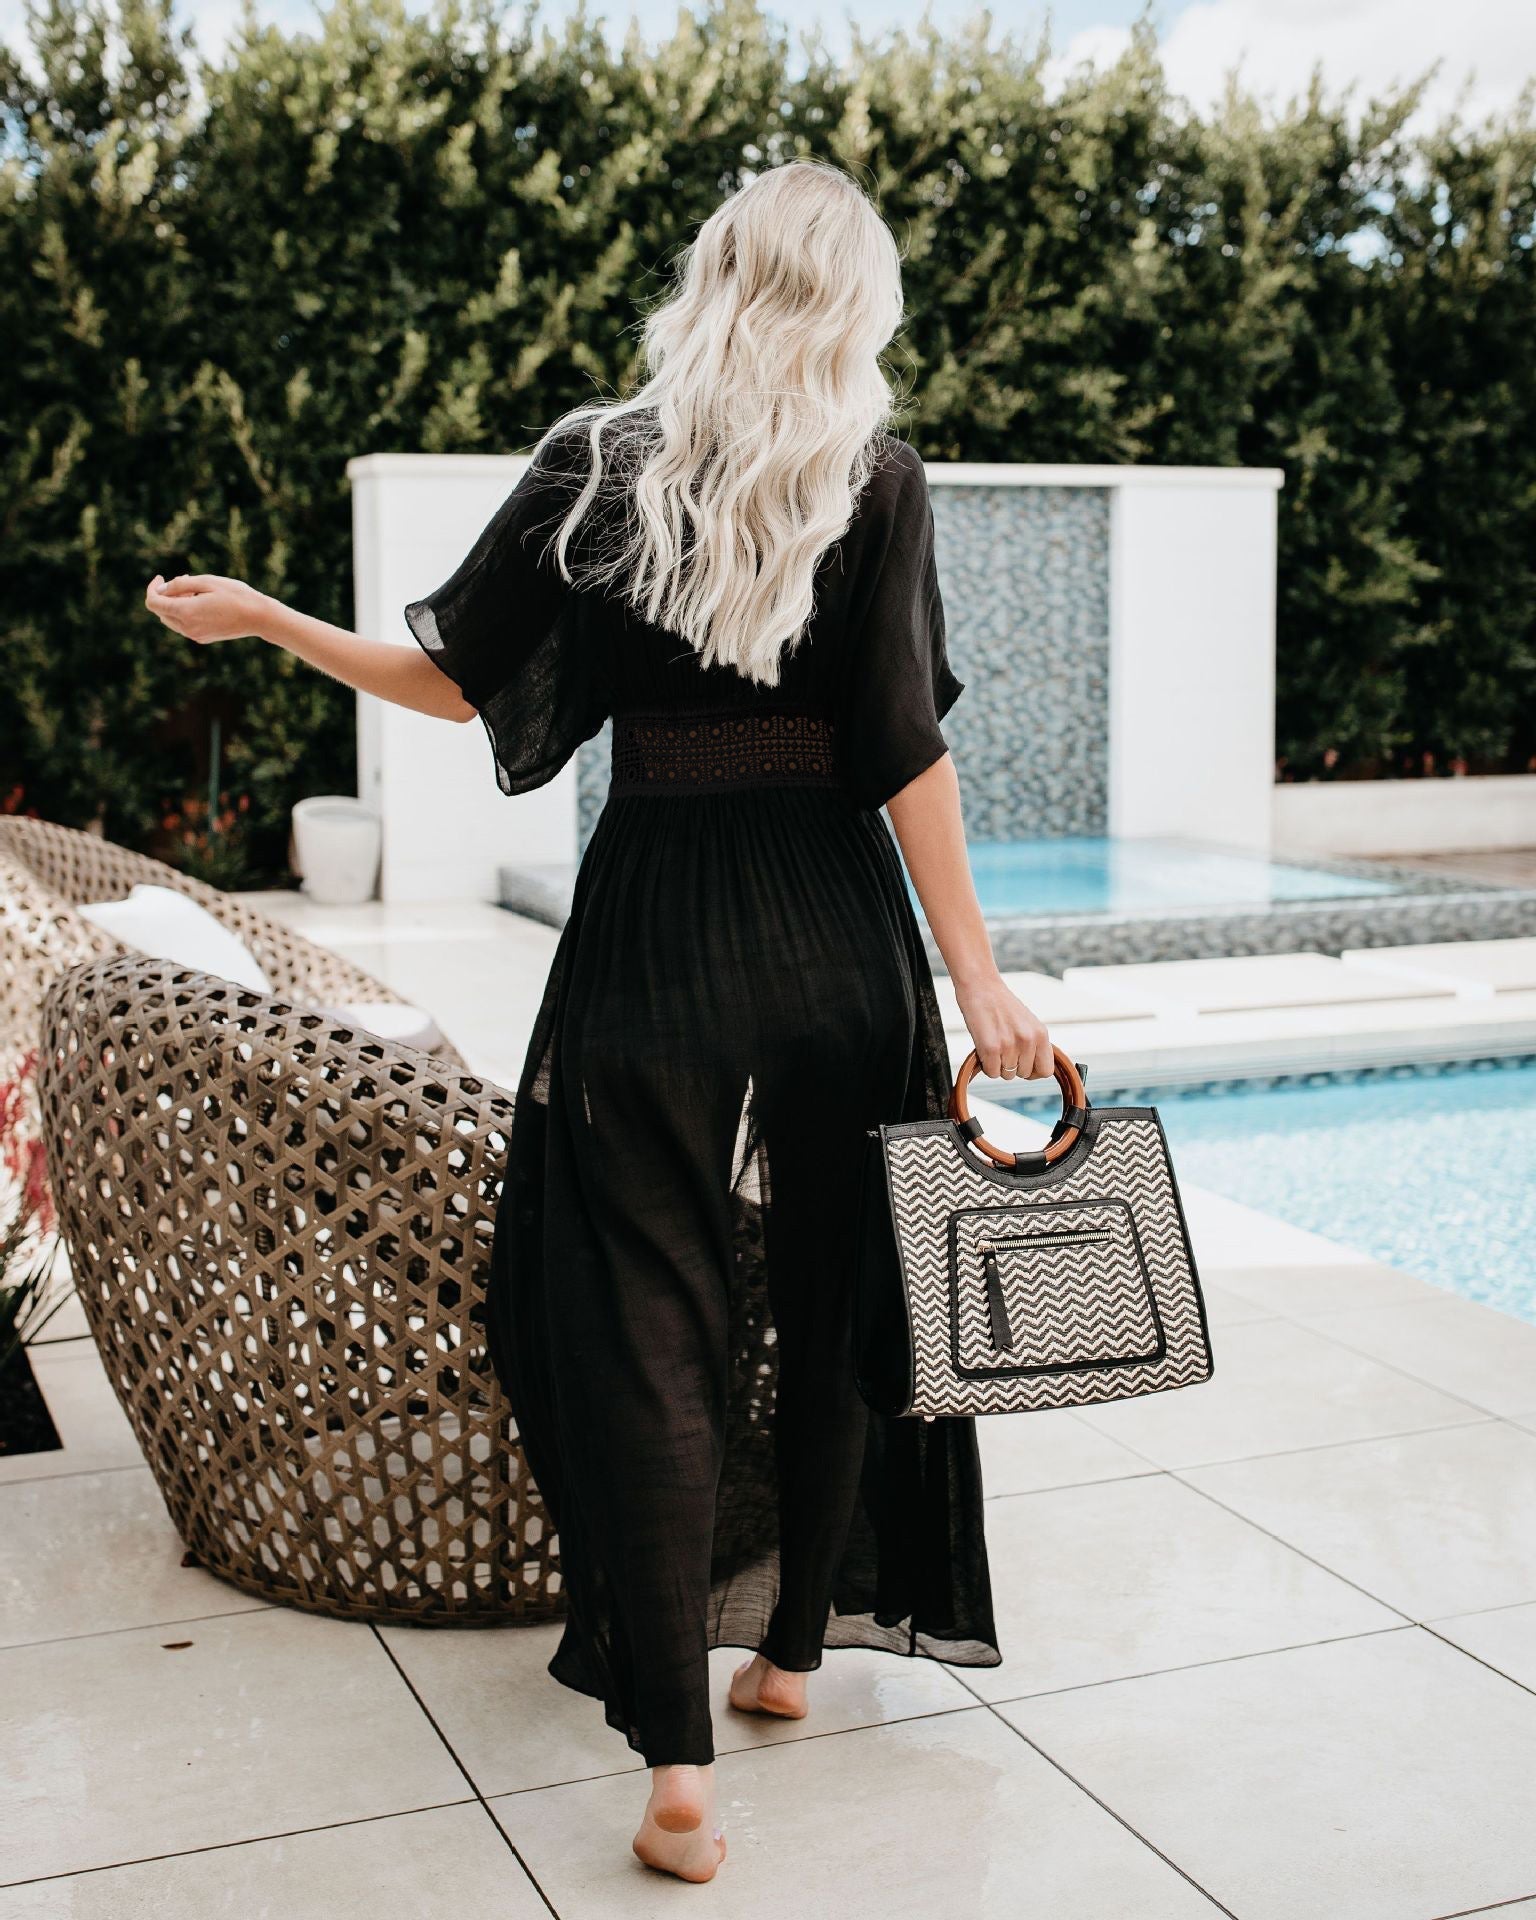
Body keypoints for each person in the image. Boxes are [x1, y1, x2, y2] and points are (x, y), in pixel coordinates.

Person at [145, 158, 1052, 1886]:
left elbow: (451, 681)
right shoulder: (877, 476)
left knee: (642, 1327)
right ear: (856, 305)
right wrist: (978, 976)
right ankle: (791, 1654)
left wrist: (268, 622)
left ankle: (679, 1776)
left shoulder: (599, 458)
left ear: (712, 279)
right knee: (840, 1293)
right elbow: (902, 748)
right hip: (838, 935)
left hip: (654, 934)